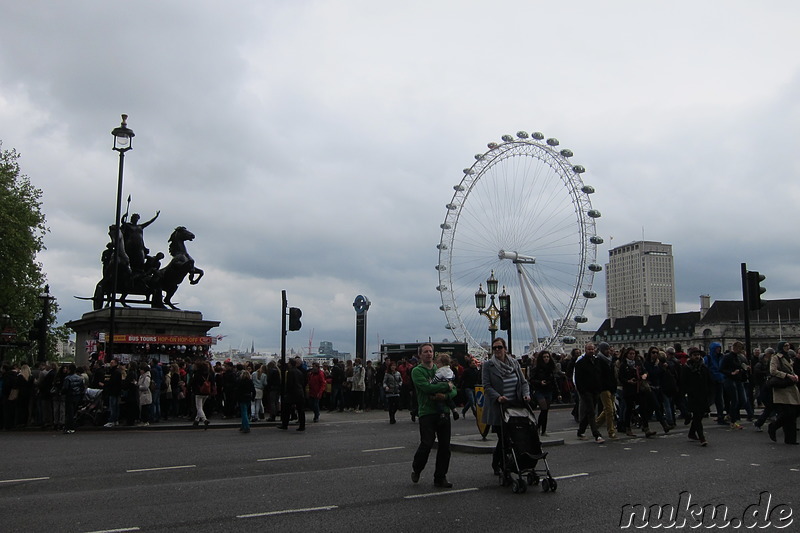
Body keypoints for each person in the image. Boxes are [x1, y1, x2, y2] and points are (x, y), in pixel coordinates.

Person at [482, 337, 531, 476]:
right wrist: (498, 397)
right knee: (504, 438)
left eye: (499, 347)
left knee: (512, 437)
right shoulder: (488, 365)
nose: (497, 350)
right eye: (495, 348)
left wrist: (526, 395)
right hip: (499, 408)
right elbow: (486, 386)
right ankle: (501, 464)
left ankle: (505, 462)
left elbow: (523, 382)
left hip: (515, 407)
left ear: (505, 349)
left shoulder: (514, 363)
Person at [411, 343, 457, 488]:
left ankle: (440, 477)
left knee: (445, 446)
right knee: (427, 443)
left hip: (443, 411)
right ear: (420, 355)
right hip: (427, 412)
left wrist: (444, 396)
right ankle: (417, 468)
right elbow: (426, 388)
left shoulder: (441, 369)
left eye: (430, 351)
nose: (428, 354)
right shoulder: (417, 371)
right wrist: (446, 387)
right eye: (425, 352)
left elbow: (454, 390)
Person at [767, 341, 800, 445]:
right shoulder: (776, 357)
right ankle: (773, 426)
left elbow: (791, 370)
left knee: (793, 414)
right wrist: (787, 375)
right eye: (785, 345)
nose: (787, 347)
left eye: (788, 345)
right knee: (788, 413)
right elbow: (773, 371)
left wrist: (795, 376)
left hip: (790, 387)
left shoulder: (788, 357)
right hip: (782, 387)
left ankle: (791, 439)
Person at [574, 343, 604, 443]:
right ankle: (596, 434)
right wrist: (581, 390)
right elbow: (578, 378)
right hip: (586, 391)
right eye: (589, 349)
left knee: (589, 412)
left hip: (595, 390)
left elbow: (600, 375)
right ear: (585, 350)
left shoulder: (597, 361)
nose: (591, 351)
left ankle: (581, 431)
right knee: (591, 411)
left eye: (592, 349)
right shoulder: (580, 363)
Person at [682, 347, 712, 446]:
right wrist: (686, 392)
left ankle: (691, 433)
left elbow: (708, 379)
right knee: (697, 416)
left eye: (698, 355)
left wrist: (709, 391)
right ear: (691, 356)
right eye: (695, 355)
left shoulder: (703, 367)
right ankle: (702, 438)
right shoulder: (687, 368)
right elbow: (683, 382)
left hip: (703, 394)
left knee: (699, 416)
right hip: (693, 395)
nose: (697, 357)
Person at [530, 350, 559, 436]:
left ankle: (543, 430)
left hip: (548, 390)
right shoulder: (536, 369)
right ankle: (539, 428)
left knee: (545, 411)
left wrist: (558, 393)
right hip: (539, 391)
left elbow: (554, 381)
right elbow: (531, 380)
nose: (546, 358)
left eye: (547, 357)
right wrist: (540, 382)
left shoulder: (551, 369)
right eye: (544, 357)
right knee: (544, 409)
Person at [594, 342, 617, 439]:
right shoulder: (598, 361)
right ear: (602, 350)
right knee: (610, 410)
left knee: (608, 409)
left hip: (611, 387)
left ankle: (594, 425)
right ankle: (611, 431)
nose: (609, 351)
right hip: (603, 388)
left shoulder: (610, 360)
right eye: (607, 349)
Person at [278, 358, 306, 431]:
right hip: (300, 393)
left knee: (286, 410)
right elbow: (302, 382)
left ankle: (285, 424)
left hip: (292, 393)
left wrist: (286, 393)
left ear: (290, 364)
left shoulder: (290, 372)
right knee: (301, 411)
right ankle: (302, 425)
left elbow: (289, 384)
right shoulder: (299, 372)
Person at [432, 354, 460, 420]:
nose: (437, 365)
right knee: (449, 400)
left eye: (438, 363)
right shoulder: (449, 369)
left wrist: (431, 382)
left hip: (440, 387)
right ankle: (454, 410)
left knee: (439, 401)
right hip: (449, 386)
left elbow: (436, 378)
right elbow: (453, 376)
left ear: (442, 363)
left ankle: (442, 414)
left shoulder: (441, 371)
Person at [62, 363, 85, 434]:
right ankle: (73, 427)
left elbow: (65, 388)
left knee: (69, 413)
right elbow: (82, 388)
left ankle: (69, 427)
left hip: (70, 396)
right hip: (77, 396)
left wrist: (62, 392)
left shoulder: (67, 378)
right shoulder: (79, 378)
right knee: (74, 412)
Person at [191, 360, 212, 428]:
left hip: (198, 392)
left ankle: (204, 420)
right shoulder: (208, 374)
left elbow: (193, 383)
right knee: (201, 407)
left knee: (199, 408)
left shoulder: (197, 374)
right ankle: (196, 421)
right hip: (206, 392)